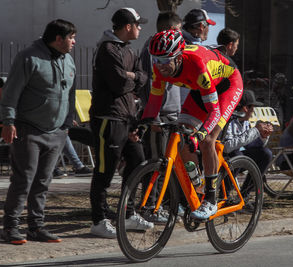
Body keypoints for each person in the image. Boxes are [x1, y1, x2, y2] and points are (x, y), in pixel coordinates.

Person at [142, 29, 243, 220]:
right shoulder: (159, 67)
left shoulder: (197, 65)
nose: (160, 66)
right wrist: (145, 123)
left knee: (207, 141)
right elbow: (155, 100)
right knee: (182, 138)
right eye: (156, 60)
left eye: (165, 60)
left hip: (228, 86)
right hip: (201, 88)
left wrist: (201, 134)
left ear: (179, 57)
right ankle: (198, 185)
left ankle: (211, 200)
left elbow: (214, 112)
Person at [0, 19, 77, 244]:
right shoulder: (28, 57)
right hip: (28, 129)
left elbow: (71, 94)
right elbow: (11, 92)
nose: (74, 42)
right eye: (71, 37)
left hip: (57, 131)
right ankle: (10, 227)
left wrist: (67, 123)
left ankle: (36, 227)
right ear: (58, 39)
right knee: (23, 179)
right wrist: (8, 121)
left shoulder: (69, 59)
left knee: (43, 181)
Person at [90, 7, 152, 239]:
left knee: (138, 160)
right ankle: (98, 220)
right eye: (138, 24)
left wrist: (132, 76)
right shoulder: (107, 49)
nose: (140, 28)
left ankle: (127, 213)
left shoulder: (128, 50)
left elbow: (143, 77)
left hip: (127, 118)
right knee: (104, 172)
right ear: (128, 27)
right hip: (109, 118)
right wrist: (132, 77)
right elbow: (118, 84)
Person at [138, 12, 183, 223]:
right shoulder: (152, 49)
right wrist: (153, 117)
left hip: (173, 115)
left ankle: (165, 205)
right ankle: (149, 207)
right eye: (179, 29)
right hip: (160, 117)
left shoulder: (173, 48)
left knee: (169, 164)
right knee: (157, 163)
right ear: (169, 30)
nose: (181, 34)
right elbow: (148, 84)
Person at [224, 90, 273, 177]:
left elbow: (248, 144)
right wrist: (255, 130)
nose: (253, 112)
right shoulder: (228, 121)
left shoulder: (245, 121)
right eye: (252, 108)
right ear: (245, 108)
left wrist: (262, 136)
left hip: (240, 156)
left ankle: (247, 190)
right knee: (237, 155)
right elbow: (227, 147)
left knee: (266, 154)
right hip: (226, 158)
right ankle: (225, 190)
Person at [180, 9, 216, 104]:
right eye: (208, 26)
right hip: (184, 107)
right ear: (201, 26)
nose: (209, 29)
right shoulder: (190, 49)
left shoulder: (177, 42)